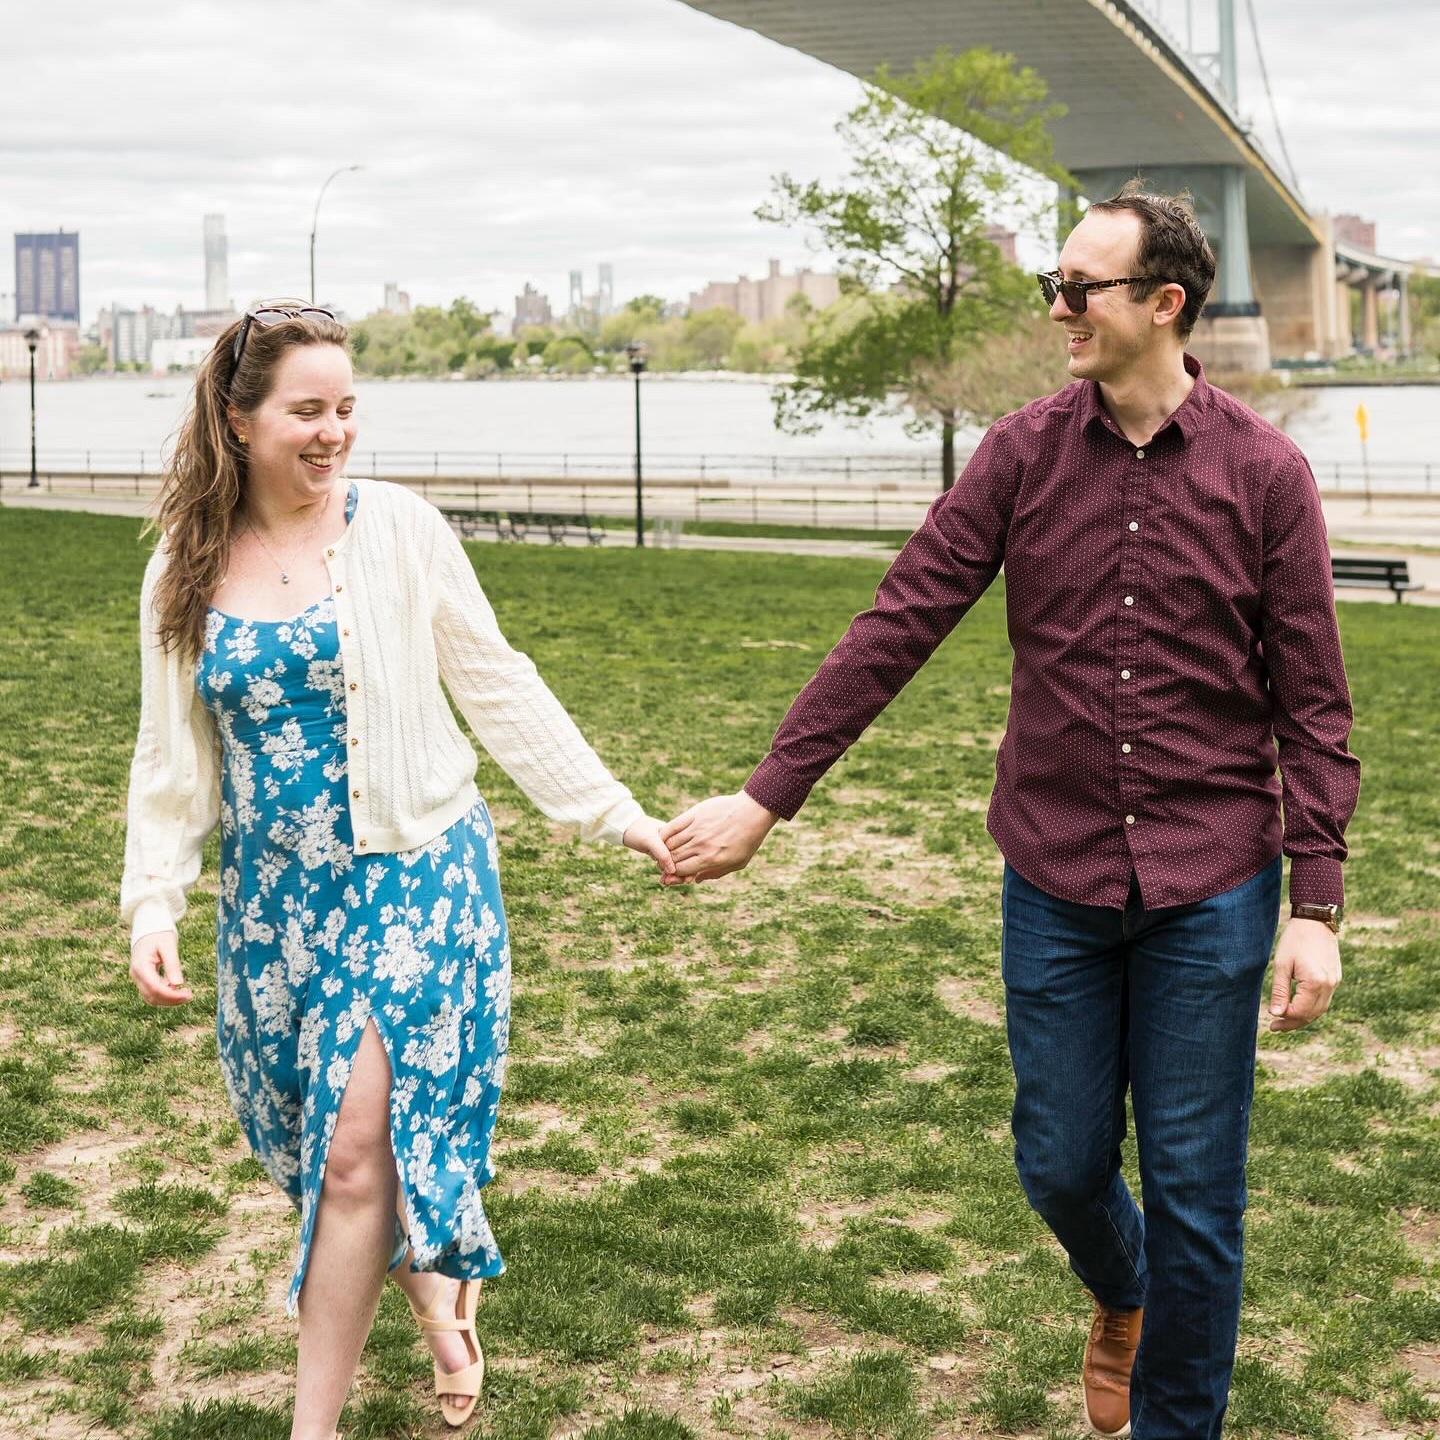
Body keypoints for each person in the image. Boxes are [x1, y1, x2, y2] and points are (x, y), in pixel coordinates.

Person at [661, 188, 1359, 1438]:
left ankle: (1172, 1425)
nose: (1057, 310)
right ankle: (1120, 1290)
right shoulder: (1022, 454)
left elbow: (1313, 703)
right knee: (1061, 1163)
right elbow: (900, 622)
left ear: (1164, 303)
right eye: (1054, 283)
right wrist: (771, 796)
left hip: (1214, 883)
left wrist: (1317, 903)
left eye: (1080, 289)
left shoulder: (1267, 473)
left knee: (1201, 1193)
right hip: (1056, 874)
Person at [121, 301, 674, 1440]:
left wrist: (611, 812)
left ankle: (309, 1427)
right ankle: (439, 1294)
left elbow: (496, 680)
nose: (333, 434)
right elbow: (168, 753)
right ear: (238, 422)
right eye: (306, 412)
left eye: (347, 409)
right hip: (274, 906)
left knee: (356, 1149)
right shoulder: (184, 564)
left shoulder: (401, 532)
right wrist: (152, 900)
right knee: (316, 1146)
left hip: (417, 876)